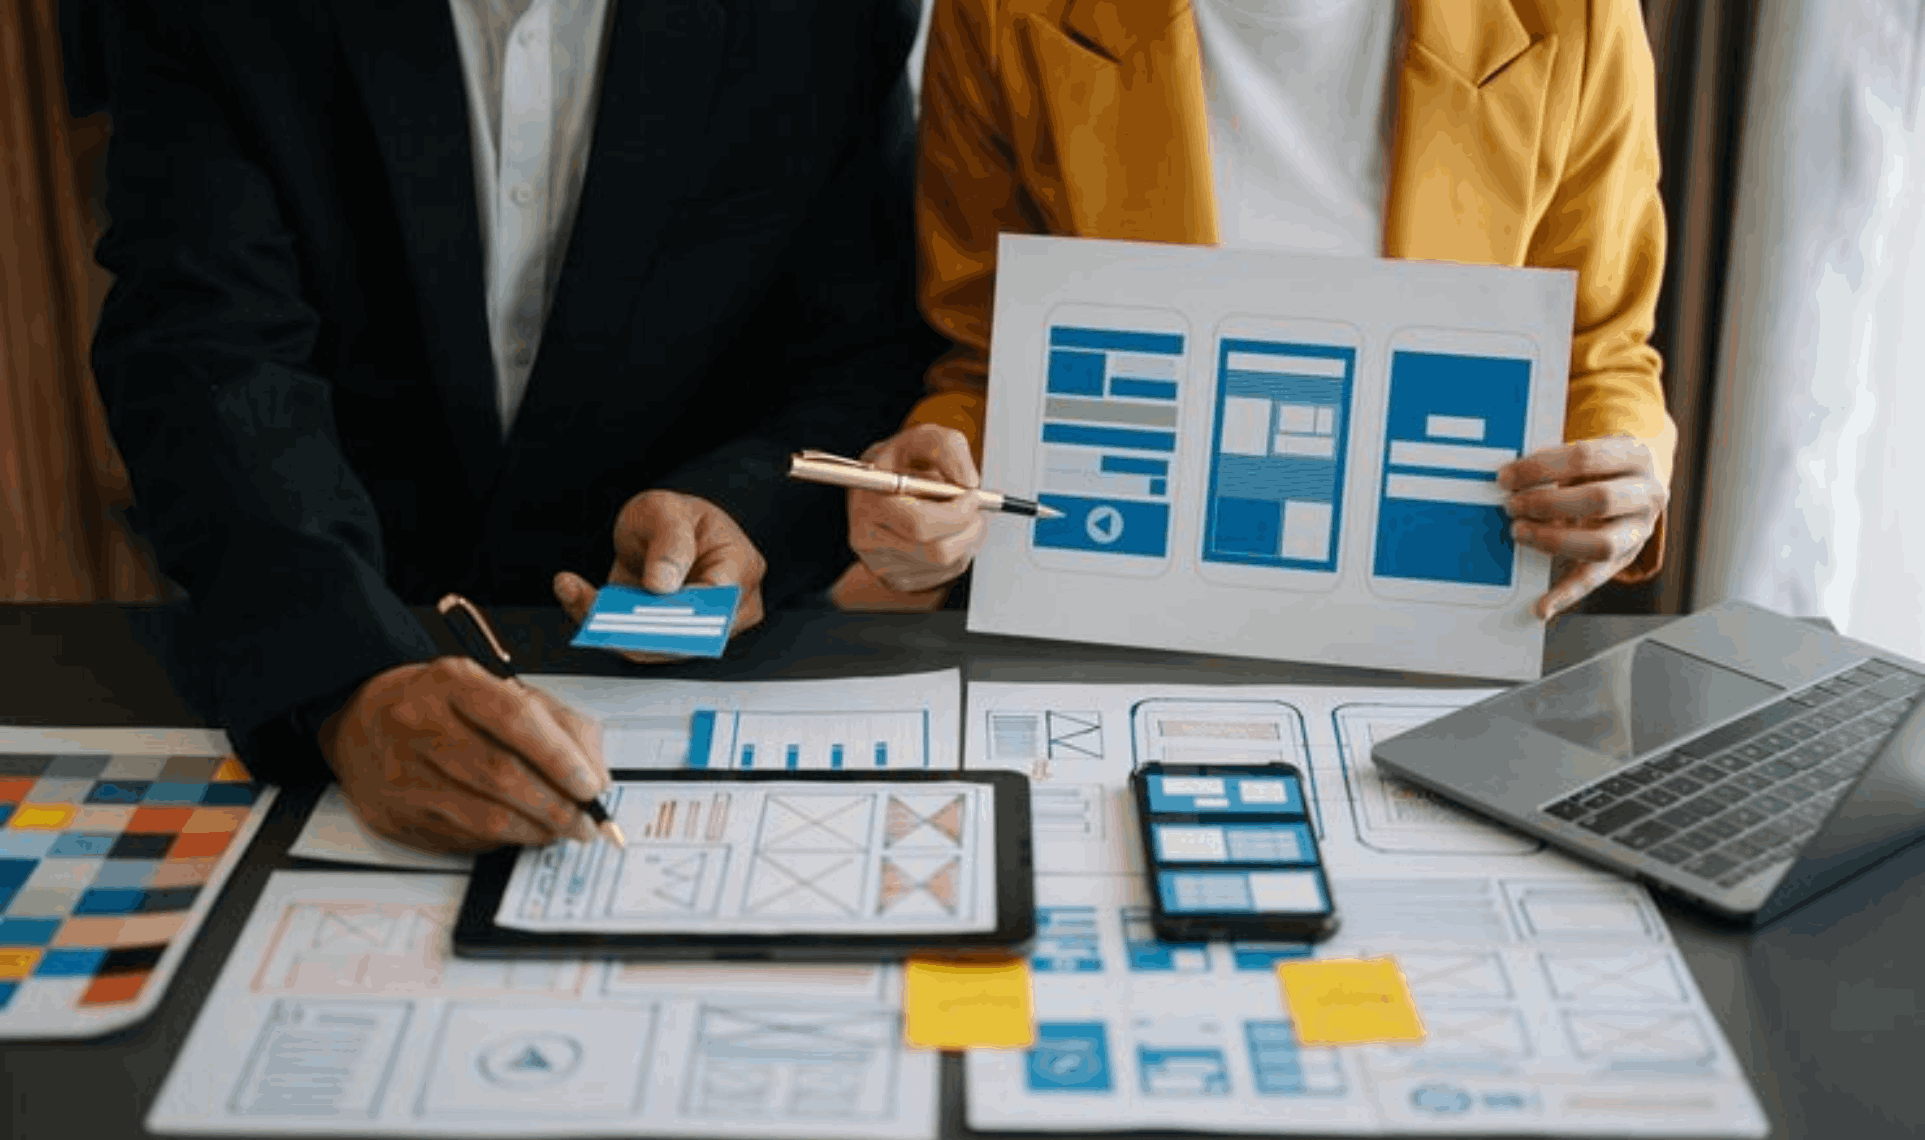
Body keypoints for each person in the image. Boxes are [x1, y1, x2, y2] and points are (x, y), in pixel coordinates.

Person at [90, 0, 939, 851]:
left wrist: (741, 515)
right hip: (327, 622)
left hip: (692, 683)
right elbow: (203, 347)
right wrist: (346, 678)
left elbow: (855, 356)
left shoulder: (833, 17)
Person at [839, 0, 1676, 619]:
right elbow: (989, 353)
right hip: (1110, 605)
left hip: (1438, 611)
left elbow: (1597, 348)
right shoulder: (999, 15)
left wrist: (1623, 473)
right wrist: (930, 498)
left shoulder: (1577, 18)